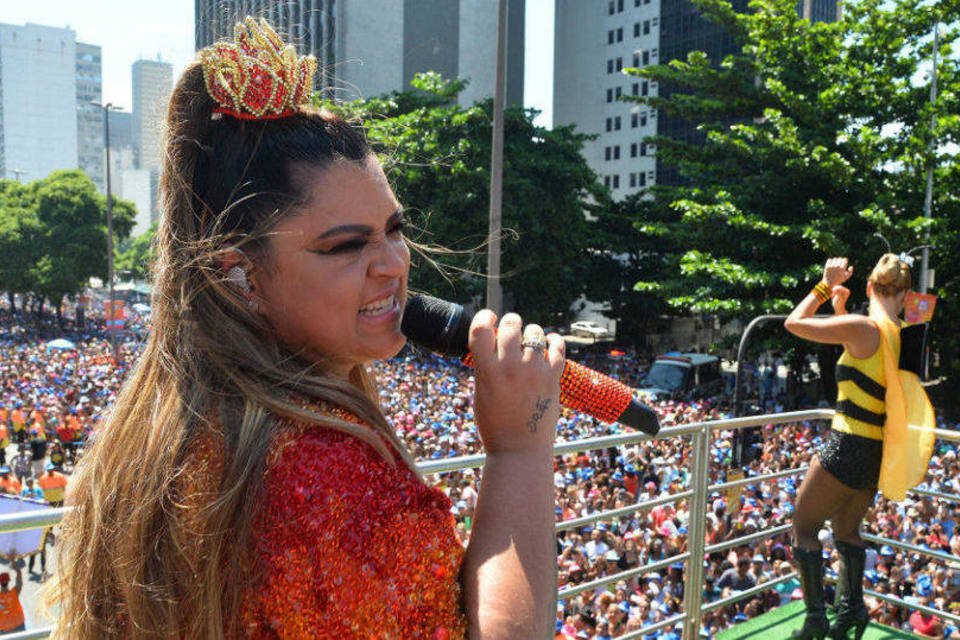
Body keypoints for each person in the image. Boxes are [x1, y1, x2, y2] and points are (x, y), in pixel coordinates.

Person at [48, 17, 563, 639]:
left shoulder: (155, 435)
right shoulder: (325, 473)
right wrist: (520, 448)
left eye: (394, 230)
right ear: (240, 276)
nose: (393, 265)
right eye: (346, 246)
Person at [784, 255, 935, 639]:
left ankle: (816, 619)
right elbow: (870, 360)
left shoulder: (862, 327)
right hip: (875, 455)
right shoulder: (902, 333)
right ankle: (852, 611)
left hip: (845, 445)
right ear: (904, 295)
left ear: (869, 286)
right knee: (847, 530)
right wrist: (839, 307)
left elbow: (794, 323)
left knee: (803, 526)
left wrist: (823, 284)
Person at [0, 559, 24, 634]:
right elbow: (19, 581)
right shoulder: (14, 592)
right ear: (8, 581)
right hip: (18, 625)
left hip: (3, 628)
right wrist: (17, 569)